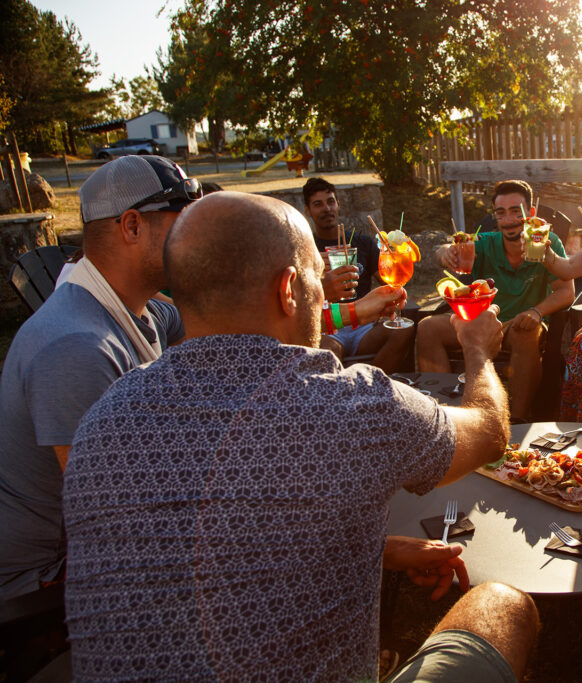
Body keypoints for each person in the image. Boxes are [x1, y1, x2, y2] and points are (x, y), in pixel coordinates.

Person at [62, 191, 539, 680]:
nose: (325, 299)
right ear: (289, 289)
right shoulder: (354, 408)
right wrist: (478, 352)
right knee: (503, 605)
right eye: (318, 281)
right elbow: (488, 432)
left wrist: (377, 548)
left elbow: (197, 542)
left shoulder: (103, 420)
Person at [0, 155, 196, 600]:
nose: (196, 238)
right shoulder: (77, 348)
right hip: (43, 579)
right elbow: (119, 525)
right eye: (184, 221)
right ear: (131, 227)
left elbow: (221, 332)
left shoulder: (135, 308)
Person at [420, 179, 575, 421]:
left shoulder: (545, 242)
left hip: (520, 323)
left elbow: (567, 291)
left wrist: (536, 311)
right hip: (480, 322)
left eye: (516, 211)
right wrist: (446, 253)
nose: (509, 220)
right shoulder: (486, 243)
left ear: (531, 213)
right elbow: (446, 248)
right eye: (501, 213)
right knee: (427, 327)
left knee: (528, 332)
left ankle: (518, 421)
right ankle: (444, 415)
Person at [303, 176, 414, 372]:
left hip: (365, 325)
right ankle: (346, 391)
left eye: (330, 201)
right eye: (318, 204)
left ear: (337, 204)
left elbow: (387, 279)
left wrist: (399, 264)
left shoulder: (361, 242)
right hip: (328, 328)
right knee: (327, 352)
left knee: (402, 332)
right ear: (308, 210)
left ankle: (373, 386)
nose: (327, 208)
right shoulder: (305, 249)